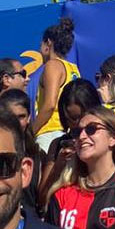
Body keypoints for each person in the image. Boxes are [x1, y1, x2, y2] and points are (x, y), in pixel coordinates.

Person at [37, 79, 105, 207]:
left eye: (82, 116)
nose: (78, 124)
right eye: (72, 119)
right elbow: (41, 199)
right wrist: (58, 167)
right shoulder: (59, 145)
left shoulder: (106, 142)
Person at [32, 18, 80, 152]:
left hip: (50, 133)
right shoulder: (74, 69)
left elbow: (49, 105)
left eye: (41, 44)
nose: (40, 49)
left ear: (48, 43)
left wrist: (29, 133)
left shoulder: (52, 66)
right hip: (67, 132)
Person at [0, 89, 41, 210]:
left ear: (29, 118)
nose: (16, 122)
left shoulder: (38, 156)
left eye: (21, 117)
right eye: (11, 117)